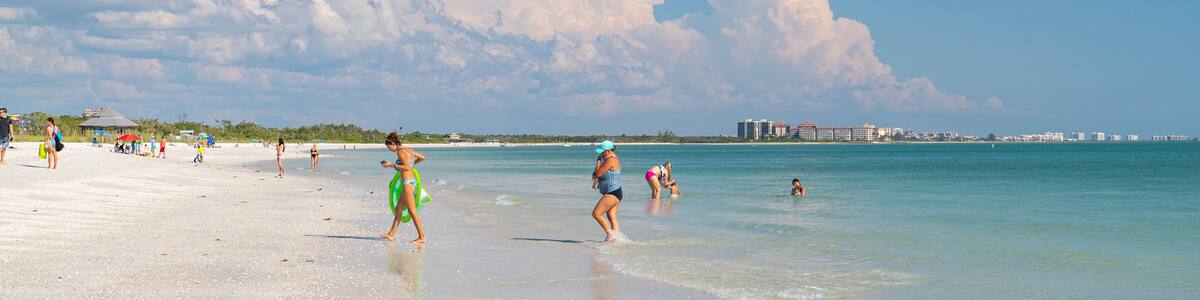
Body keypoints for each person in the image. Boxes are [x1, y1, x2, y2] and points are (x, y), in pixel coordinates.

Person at [379, 132, 427, 244]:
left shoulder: (400, 152)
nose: (389, 150)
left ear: (392, 143)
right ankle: (391, 234)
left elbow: (406, 168)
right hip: (410, 182)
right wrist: (413, 164)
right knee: (399, 209)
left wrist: (392, 165)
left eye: (389, 147)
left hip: (407, 184)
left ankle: (421, 237)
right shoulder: (408, 150)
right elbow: (422, 158)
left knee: (412, 211)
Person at [591, 140, 623, 242]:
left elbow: (599, 173)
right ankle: (616, 240)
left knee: (596, 214)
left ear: (609, 151)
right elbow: (599, 174)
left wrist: (597, 162)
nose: (601, 153)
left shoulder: (610, 160)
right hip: (616, 192)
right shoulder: (610, 159)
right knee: (611, 216)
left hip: (612, 192)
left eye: (603, 151)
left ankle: (610, 235)